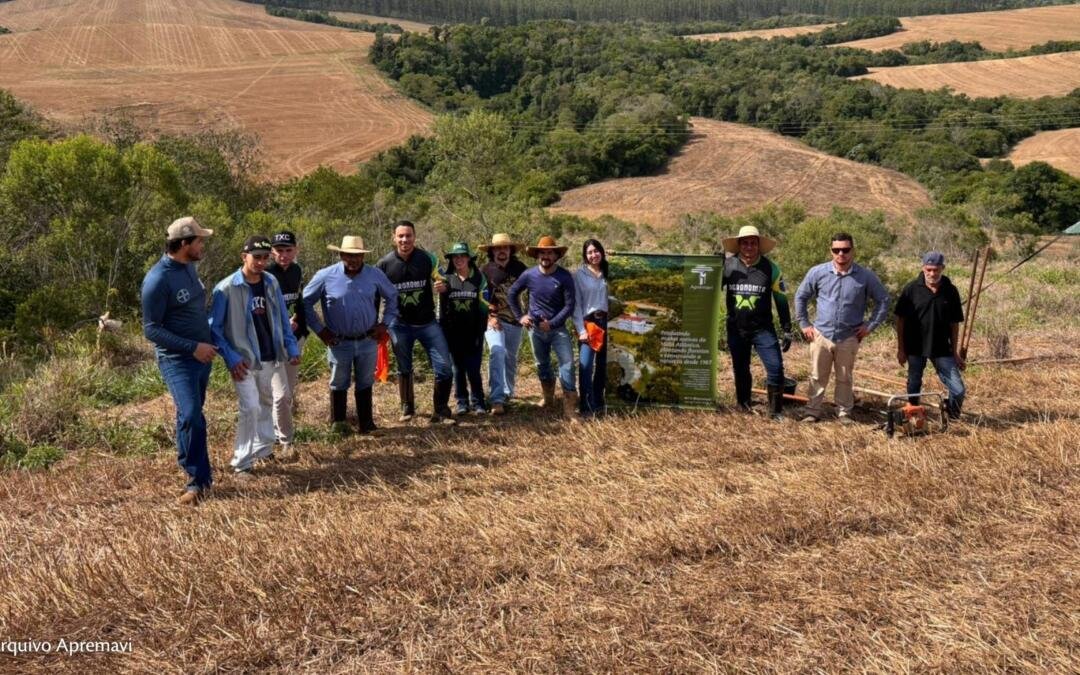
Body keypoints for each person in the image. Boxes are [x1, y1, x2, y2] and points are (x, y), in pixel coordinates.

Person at [209, 236, 301, 478]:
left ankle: (262, 449)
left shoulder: (270, 282)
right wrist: (230, 357)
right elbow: (214, 330)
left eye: (264, 258)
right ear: (244, 257)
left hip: (269, 355)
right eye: (256, 257)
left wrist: (291, 347)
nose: (260, 262)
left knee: (265, 401)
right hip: (242, 359)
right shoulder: (226, 288)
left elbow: (282, 316)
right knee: (250, 407)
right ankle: (241, 463)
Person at [141, 216, 217, 506]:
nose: (202, 246)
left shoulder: (189, 269)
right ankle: (196, 480)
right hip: (178, 360)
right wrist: (192, 347)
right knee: (191, 416)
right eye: (199, 241)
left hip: (202, 356)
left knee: (192, 415)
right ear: (184, 243)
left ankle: (199, 473)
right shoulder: (157, 280)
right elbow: (151, 329)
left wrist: (209, 341)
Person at [303, 236, 398, 434]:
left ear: (363, 256)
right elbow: (304, 302)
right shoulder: (325, 275)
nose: (353, 260)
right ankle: (338, 425)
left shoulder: (375, 274)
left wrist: (384, 324)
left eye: (357, 256)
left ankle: (367, 425)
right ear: (340, 254)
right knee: (338, 382)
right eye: (348, 255)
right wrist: (321, 331)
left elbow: (393, 296)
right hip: (339, 342)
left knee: (365, 381)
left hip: (367, 340)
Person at [794, 232, 890, 424]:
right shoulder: (817, 272)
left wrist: (870, 326)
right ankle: (812, 411)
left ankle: (844, 413)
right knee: (817, 375)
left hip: (849, 336)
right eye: (836, 250)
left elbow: (884, 300)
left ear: (852, 251)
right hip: (821, 334)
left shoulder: (865, 276)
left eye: (845, 250)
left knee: (845, 377)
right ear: (831, 251)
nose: (841, 254)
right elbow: (800, 296)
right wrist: (804, 324)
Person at [376, 220, 456, 425]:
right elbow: (375, 294)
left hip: (427, 323)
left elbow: (444, 278)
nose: (404, 240)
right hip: (398, 324)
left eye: (408, 235)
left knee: (445, 366)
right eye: (400, 236)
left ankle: (441, 410)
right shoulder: (384, 264)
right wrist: (378, 324)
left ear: (414, 237)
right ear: (393, 238)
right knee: (404, 367)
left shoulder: (427, 258)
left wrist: (443, 285)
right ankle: (407, 407)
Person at [720, 226, 793, 419]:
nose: (749, 246)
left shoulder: (771, 268)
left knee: (776, 368)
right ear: (739, 245)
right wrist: (714, 268)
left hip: (763, 329)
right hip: (736, 328)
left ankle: (775, 412)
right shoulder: (728, 265)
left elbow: (781, 299)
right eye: (745, 242)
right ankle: (743, 405)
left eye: (753, 242)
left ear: (758, 245)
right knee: (741, 368)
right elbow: (711, 289)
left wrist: (787, 328)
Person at [508, 235, 577, 416]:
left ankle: (569, 409)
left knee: (567, 364)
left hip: (558, 329)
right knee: (542, 363)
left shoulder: (564, 276)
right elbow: (512, 294)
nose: (545, 256)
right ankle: (548, 399)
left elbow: (570, 305)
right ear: (537, 255)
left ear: (556, 256)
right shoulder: (529, 275)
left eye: (549, 253)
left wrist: (553, 323)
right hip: (535, 329)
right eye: (542, 253)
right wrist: (520, 316)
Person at [895, 251, 966, 419]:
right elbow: (900, 320)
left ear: (942, 268)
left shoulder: (951, 291)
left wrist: (955, 352)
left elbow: (954, 324)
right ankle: (913, 416)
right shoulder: (911, 289)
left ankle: (953, 416)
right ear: (923, 268)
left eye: (936, 270)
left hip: (942, 348)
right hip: (915, 347)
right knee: (914, 384)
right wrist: (901, 349)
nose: (932, 274)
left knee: (958, 389)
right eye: (929, 270)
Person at [479, 233, 528, 416]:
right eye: (498, 248)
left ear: (510, 250)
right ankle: (496, 398)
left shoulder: (520, 269)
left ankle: (508, 393)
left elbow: (531, 290)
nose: (502, 251)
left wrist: (528, 313)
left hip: (515, 320)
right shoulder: (485, 271)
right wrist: (489, 317)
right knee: (497, 351)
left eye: (505, 248)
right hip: (494, 320)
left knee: (510, 357)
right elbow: (479, 297)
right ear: (492, 251)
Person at [440, 242, 490, 415]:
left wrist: (481, 330)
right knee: (457, 369)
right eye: (455, 256)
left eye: (462, 256)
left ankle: (479, 402)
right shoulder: (446, 280)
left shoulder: (479, 278)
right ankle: (461, 402)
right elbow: (442, 308)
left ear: (469, 258)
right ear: (451, 259)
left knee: (473, 368)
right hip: (453, 332)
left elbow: (484, 307)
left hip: (474, 332)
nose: (459, 259)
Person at [266, 230, 308, 420]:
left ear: (296, 250)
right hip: (273, 340)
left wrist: (301, 327)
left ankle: (285, 427)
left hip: (295, 337)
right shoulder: (265, 275)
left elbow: (298, 301)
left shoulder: (297, 271)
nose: (283, 255)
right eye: (279, 250)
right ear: (272, 252)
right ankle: (277, 435)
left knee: (289, 389)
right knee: (278, 393)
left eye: (288, 250)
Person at [573, 239, 610, 418]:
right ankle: (586, 405)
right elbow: (576, 304)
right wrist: (581, 329)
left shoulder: (609, 272)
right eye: (589, 252)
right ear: (585, 256)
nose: (593, 255)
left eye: (596, 251)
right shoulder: (579, 275)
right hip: (589, 323)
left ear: (601, 252)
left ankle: (598, 401)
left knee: (603, 365)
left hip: (608, 322)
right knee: (586, 365)